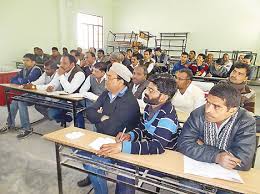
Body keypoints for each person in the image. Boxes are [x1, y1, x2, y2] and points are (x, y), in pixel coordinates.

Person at [97, 73, 179, 194]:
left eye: (151, 90)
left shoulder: (168, 116)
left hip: (165, 157)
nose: (146, 92)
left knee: (126, 166)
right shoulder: (150, 106)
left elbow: (157, 146)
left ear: (163, 97)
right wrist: (130, 135)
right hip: (153, 150)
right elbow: (143, 128)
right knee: (122, 161)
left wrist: (122, 146)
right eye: (147, 88)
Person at [77, 63, 140, 191]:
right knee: (78, 151)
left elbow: (111, 128)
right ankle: (93, 177)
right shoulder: (107, 93)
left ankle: (97, 184)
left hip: (119, 144)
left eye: (110, 77)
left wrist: (99, 116)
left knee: (93, 165)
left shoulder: (129, 101)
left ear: (121, 82)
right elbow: (89, 111)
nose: (106, 79)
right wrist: (102, 117)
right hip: (102, 137)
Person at [178, 83, 256, 173]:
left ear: (232, 110)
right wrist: (217, 156)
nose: (208, 110)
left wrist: (202, 146)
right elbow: (183, 144)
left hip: (229, 174)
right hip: (198, 168)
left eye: (217, 106)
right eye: (208, 102)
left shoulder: (245, 121)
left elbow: (243, 161)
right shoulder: (198, 114)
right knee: (188, 185)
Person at [0, 53, 42, 138]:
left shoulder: (36, 70)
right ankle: (10, 124)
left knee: (20, 101)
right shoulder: (24, 69)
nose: (24, 62)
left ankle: (27, 128)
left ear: (33, 62)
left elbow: (27, 81)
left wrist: (21, 80)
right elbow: (13, 79)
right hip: (27, 93)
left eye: (27, 60)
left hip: (37, 95)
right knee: (15, 100)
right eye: (23, 60)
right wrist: (20, 80)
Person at [47, 54, 86, 126]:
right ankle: (68, 118)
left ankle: (80, 128)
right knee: (51, 114)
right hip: (65, 98)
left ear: (72, 64)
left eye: (64, 63)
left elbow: (70, 90)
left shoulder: (79, 73)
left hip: (78, 100)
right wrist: (51, 87)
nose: (61, 65)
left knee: (77, 114)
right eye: (61, 63)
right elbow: (53, 83)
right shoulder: (61, 70)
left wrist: (61, 75)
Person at [77, 62, 107, 127]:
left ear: (103, 73)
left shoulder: (108, 79)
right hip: (93, 101)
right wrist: (92, 96)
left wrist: (97, 99)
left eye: (96, 71)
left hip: (105, 102)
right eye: (93, 70)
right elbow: (82, 91)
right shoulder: (91, 77)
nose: (93, 73)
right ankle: (80, 127)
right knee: (78, 104)